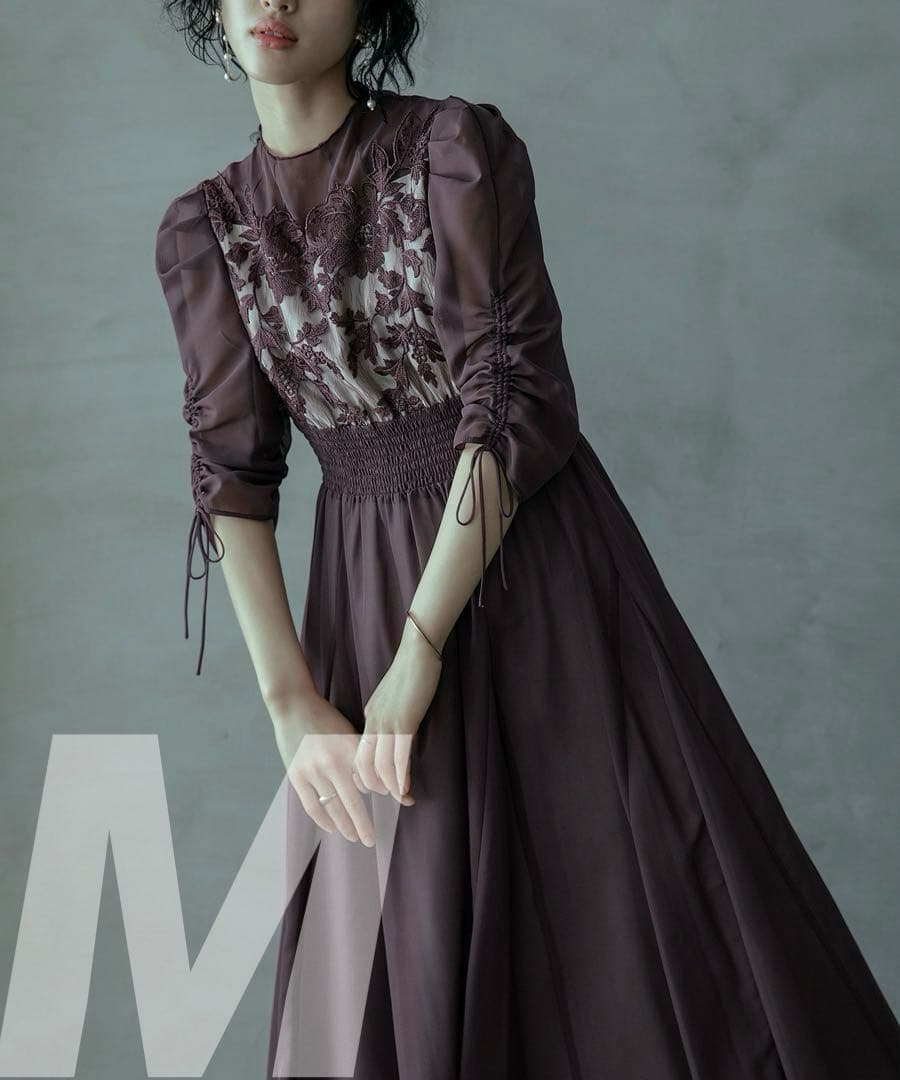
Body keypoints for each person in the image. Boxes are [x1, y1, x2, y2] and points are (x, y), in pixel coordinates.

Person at [154, 2, 900, 1077]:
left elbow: (513, 398)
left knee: (620, 930)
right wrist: (291, 703)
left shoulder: (450, 150)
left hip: (525, 577)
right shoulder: (205, 229)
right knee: (390, 966)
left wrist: (422, 646)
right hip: (358, 602)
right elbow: (230, 475)